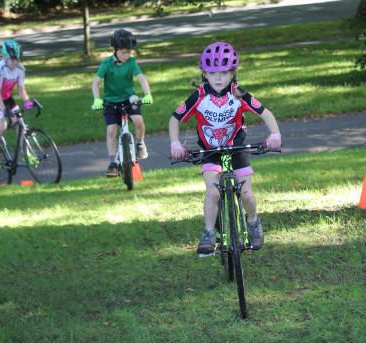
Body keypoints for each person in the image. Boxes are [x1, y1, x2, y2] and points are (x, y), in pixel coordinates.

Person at [169, 41, 282, 256]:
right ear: (205, 75)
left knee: (246, 192)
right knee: (212, 192)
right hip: (210, 151)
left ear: (232, 74)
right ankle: (209, 233)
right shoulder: (199, 96)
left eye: (223, 73)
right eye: (213, 74)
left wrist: (275, 134)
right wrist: (175, 143)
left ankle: (253, 221)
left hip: (236, 148)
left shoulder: (238, 94)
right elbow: (175, 118)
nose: (218, 78)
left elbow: (265, 113)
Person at [91, 29, 153, 177]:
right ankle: (113, 162)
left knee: (138, 121)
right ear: (116, 50)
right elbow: (95, 83)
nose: (128, 55)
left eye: (129, 52)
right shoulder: (106, 63)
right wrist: (97, 98)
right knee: (111, 131)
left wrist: (147, 94)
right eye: (124, 52)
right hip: (111, 102)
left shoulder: (131, 62)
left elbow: (141, 78)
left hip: (128, 98)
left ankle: (140, 143)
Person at [0, 39, 35, 170]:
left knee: (20, 123)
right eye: (12, 59)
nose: (15, 62)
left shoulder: (20, 69)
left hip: (6, 97)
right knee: (2, 125)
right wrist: (3, 111)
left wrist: (29, 102)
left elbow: (22, 91)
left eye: (18, 59)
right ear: (5, 57)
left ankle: (25, 153)